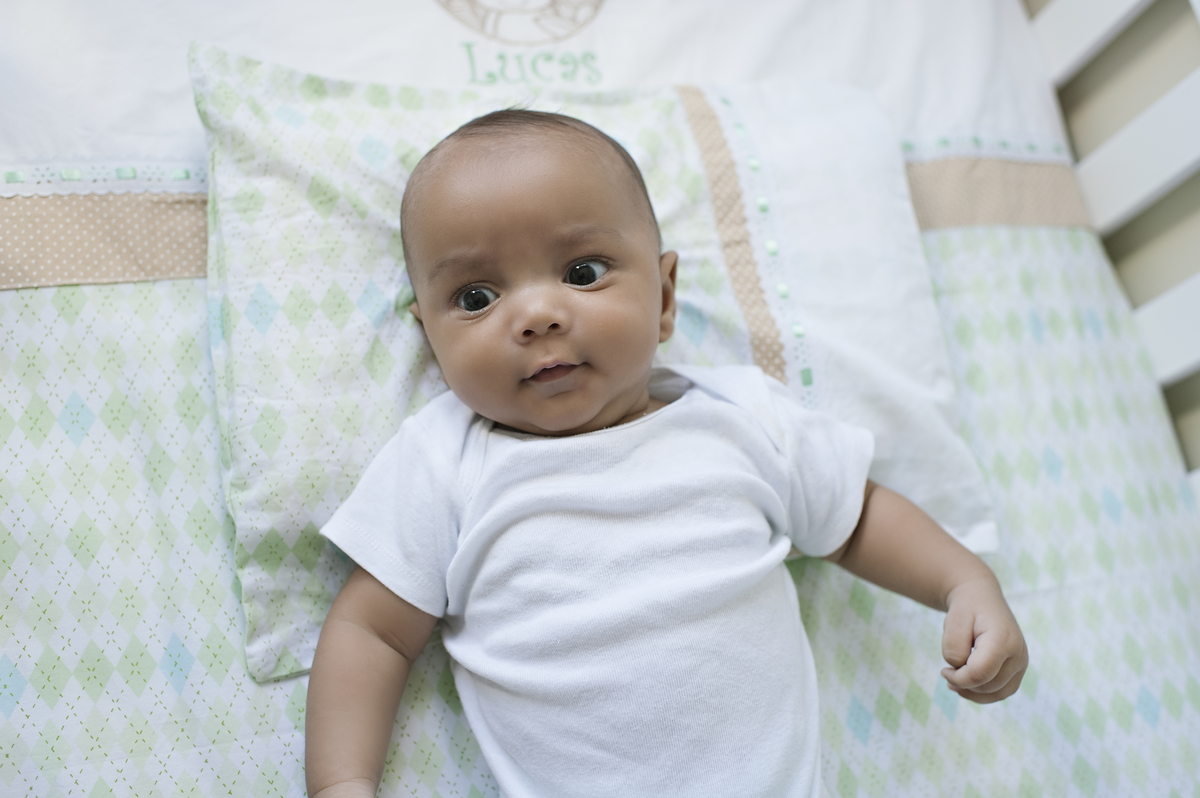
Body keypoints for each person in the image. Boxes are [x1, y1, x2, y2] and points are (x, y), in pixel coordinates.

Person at [305, 110, 1028, 798]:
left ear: (665, 296)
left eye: (582, 273)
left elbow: (857, 515)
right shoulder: (445, 465)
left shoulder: (742, 419)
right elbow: (372, 631)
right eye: (476, 295)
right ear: (429, 335)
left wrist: (962, 582)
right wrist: (341, 782)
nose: (536, 316)